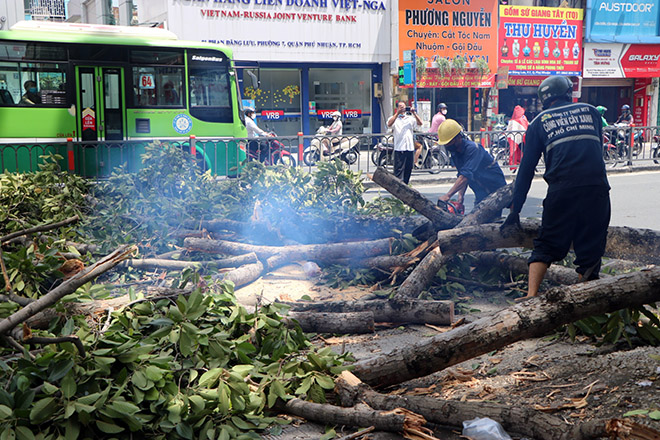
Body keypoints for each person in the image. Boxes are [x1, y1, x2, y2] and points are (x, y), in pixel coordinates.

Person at [501, 75, 611, 300]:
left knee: (547, 243)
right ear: (569, 93)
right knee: (590, 249)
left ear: (544, 99)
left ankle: (531, 296)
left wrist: (515, 209)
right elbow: (594, 150)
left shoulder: (540, 122)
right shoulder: (591, 112)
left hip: (562, 191)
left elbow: (526, 169)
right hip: (597, 189)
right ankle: (585, 301)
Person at [437, 119, 507, 211]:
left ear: (458, 138)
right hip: (480, 191)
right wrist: (460, 198)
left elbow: (465, 176)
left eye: (449, 143)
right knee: (478, 218)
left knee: (490, 219)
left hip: (495, 189)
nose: (447, 146)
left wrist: (448, 195)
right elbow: (462, 176)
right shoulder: (455, 153)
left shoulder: (473, 149)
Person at [387, 101, 422, 184]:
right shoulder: (394, 119)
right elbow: (389, 124)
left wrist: (414, 113)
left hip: (409, 148)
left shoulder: (410, 118)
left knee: (408, 169)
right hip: (399, 148)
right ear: (397, 108)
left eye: (404, 107)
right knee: (398, 171)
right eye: (400, 107)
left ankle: (405, 186)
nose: (403, 109)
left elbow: (420, 123)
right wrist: (397, 113)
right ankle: (398, 187)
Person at [506, 105, 529, 170]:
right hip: (522, 136)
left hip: (513, 137)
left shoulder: (512, 120)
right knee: (522, 150)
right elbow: (526, 126)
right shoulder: (523, 118)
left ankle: (513, 165)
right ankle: (520, 162)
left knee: (513, 151)